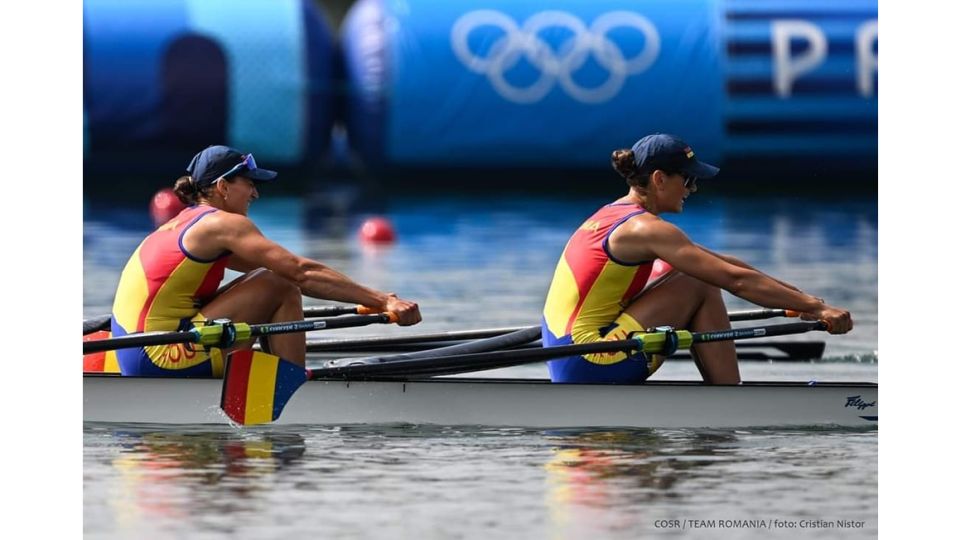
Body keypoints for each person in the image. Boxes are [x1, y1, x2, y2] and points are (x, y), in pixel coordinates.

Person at [540, 134, 852, 384]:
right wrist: (818, 308)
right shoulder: (646, 229)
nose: (693, 187)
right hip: (591, 358)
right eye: (688, 179)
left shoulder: (614, 215)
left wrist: (801, 300)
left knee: (697, 273)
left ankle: (727, 397)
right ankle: (730, 402)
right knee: (699, 282)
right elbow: (734, 280)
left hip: (569, 355)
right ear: (660, 179)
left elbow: (726, 264)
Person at [110, 145, 421, 377]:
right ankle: (292, 387)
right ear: (223, 187)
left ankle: (272, 374)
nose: (255, 194)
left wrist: (365, 298)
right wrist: (384, 300)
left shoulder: (180, 225)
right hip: (160, 356)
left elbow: (284, 272)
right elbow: (301, 273)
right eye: (249, 183)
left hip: (133, 353)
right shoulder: (222, 224)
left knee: (270, 278)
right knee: (280, 283)